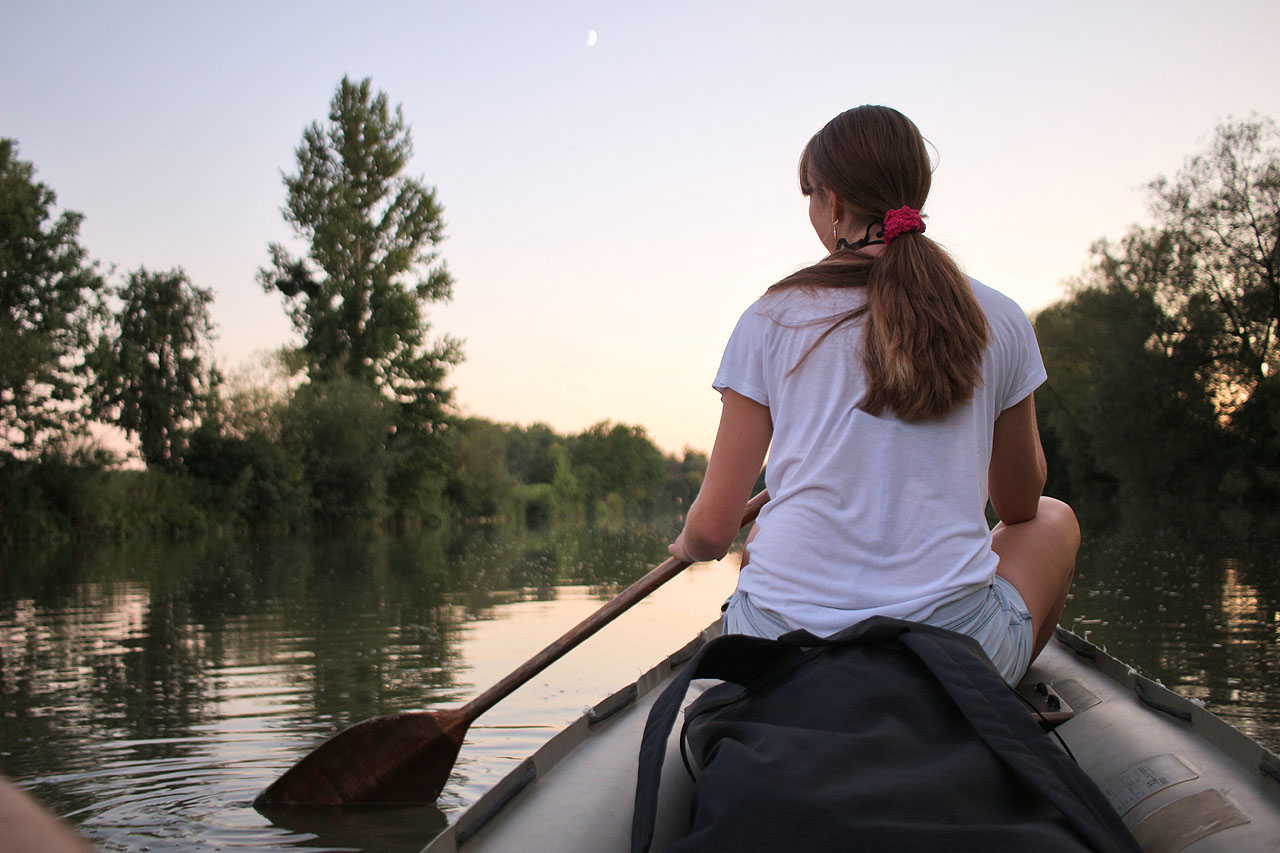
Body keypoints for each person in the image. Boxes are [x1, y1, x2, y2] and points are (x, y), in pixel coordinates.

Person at [668, 105, 1078, 685]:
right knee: (1055, 519)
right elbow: (1020, 506)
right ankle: (985, 701)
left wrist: (688, 545)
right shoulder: (1000, 316)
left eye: (810, 195)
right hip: (952, 658)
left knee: (759, 545)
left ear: (833, 202)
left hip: (779, 649)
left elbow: (713, 531)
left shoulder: (770, 316)